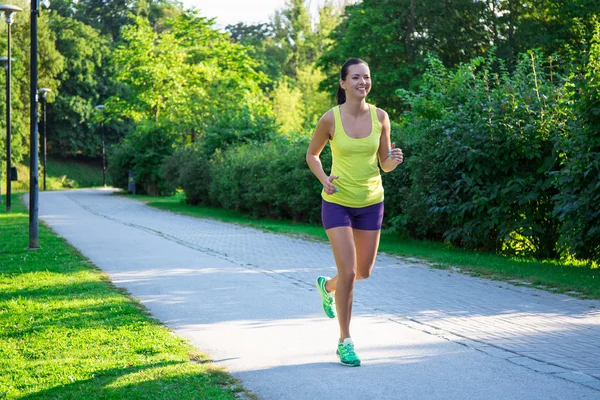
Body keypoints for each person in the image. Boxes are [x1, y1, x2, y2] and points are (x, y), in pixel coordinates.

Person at [306, 58, 404, 367]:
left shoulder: (381, 117)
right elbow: (312, 155)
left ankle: (328, 286)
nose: (363, 82)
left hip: (371, 202)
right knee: (349, 271)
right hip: (337, 202)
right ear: (343, 83)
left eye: (367, 77)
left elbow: (384, 164)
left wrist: (393, 160)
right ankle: (345, 341)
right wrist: (324, 179)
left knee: (362, 272)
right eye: (356, 77)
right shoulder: (330, 119)